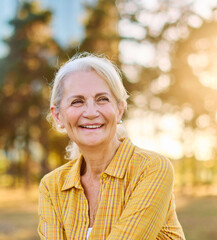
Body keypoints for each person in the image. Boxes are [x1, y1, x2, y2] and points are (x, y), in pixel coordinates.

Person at [38, 52, 186, 240]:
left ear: (119, 110)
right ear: (58, 115)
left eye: (102, 99)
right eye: (77, 101)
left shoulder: (152, 169)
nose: (91, 112)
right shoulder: (52, 186)